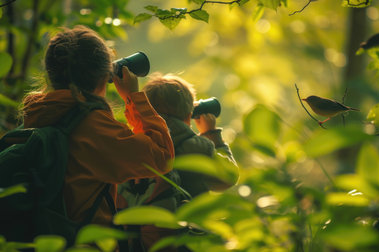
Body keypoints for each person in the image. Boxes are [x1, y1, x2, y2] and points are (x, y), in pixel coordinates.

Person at [21, 26, 174, 230]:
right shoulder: (95, 128)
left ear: (51, 74)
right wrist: (133, 98)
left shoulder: (36, 116)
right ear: (105, 76)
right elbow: (162, 157)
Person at [118, 73, 238, 251]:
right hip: (188, 241)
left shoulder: (135, 143)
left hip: (143, 242)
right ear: (189, 115)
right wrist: (211, 134)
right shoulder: (197, 147)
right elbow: (228, 178)